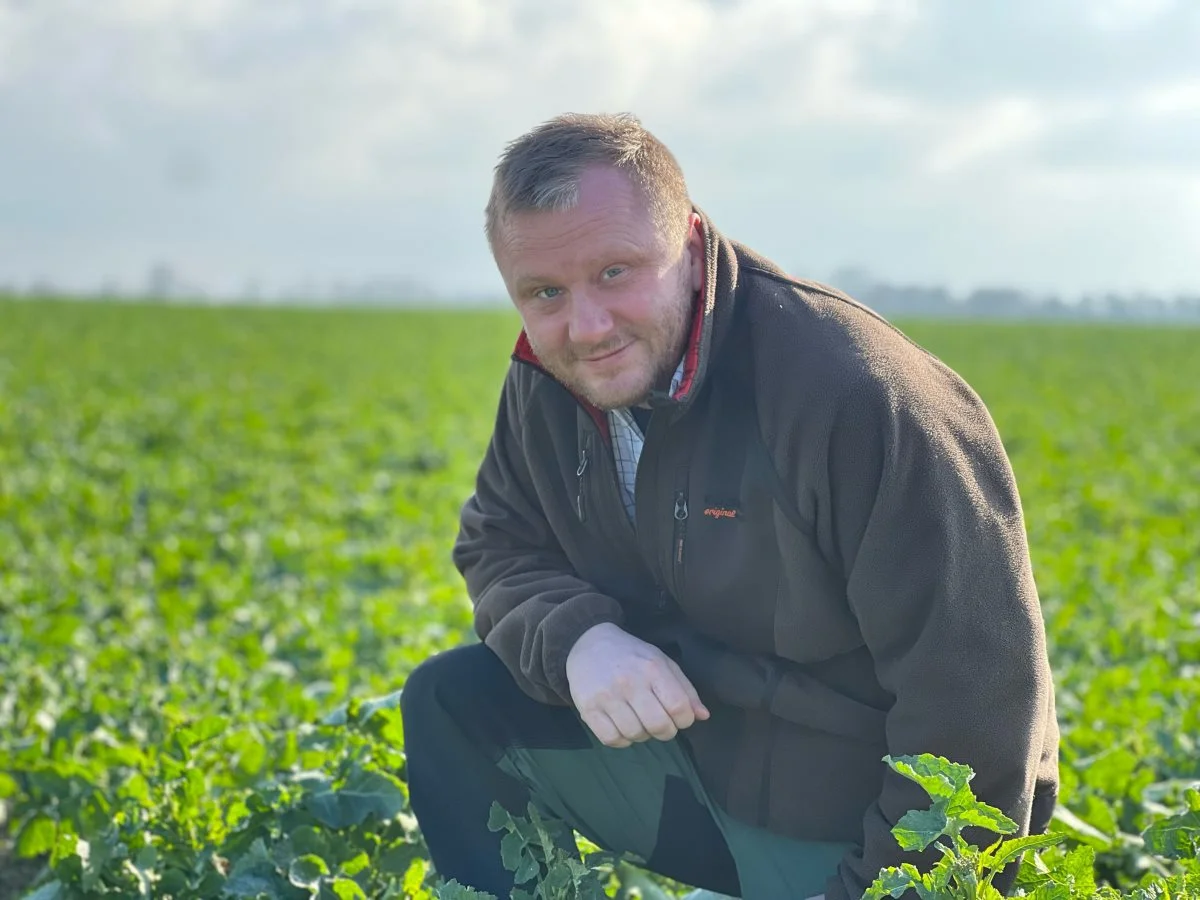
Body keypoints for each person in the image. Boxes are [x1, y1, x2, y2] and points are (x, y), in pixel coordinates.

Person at [399, 112, 1059, 900]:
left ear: (687, 237)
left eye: (615, 272)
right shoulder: (553, 374)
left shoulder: (857, 398)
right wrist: (579, 639)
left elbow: (977, 707)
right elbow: (498, 543)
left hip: (851, 820)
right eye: (544, 292)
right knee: (453, 702)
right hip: (699, 771)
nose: (586, 327)